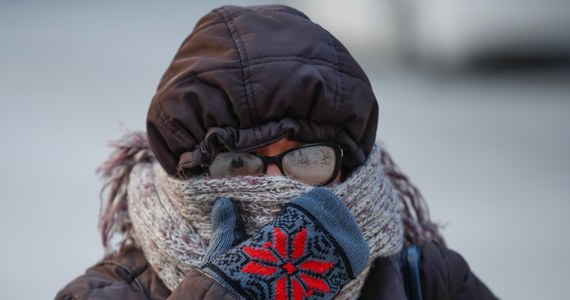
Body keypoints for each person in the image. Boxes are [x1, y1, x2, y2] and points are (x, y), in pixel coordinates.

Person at [56, 5, 497, 300]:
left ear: (348, 165)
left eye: (306, 160)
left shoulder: (431, 283)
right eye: (237, 165)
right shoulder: (107, 293)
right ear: (186, 177)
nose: (275, 187)